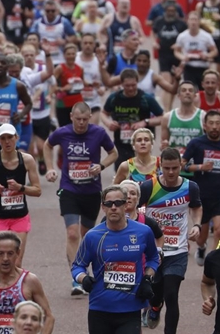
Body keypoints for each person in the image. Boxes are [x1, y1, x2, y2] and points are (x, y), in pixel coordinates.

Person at [43, 102, 117, 293]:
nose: (82, 123)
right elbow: (47, 145)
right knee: (72, 233)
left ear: (90, 117)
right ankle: (77, 277)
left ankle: (85, 268)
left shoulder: (98, 133)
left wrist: (101, 166)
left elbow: (113, 153)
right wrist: (50, 168)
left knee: (86, 235)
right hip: (69, 189)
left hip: (92, 191)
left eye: (85, 119)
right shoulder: (63, 133)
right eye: (78, 119)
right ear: (71, 116)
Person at [72, 185, 159, 334]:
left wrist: (147, 279)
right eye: (108, 204)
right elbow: (77, 266)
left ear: (126, 205)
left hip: (131, 309)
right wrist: (83, 279)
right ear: (103, 207)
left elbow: (153, 257)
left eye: (118, 203)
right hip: (100, 308)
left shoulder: (143, 232)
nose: (113, 207)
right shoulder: (93, 236)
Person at [139, 148, 202, 332]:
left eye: (175, 167)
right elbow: (136, 211)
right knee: (156, 293)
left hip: (178, 250)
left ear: (181, 165)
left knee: (172, 294)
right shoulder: (148, 187)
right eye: (167, 168)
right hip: (154, 251)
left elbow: (197, 208)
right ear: (161, 167)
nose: (172, 172)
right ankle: (155, 306)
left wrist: (196, 225)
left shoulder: (190, 187)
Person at [0, 124, 41, 266]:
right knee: (1, 261)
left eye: (10, 137)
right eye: (3, 138)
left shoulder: (27, 160)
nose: (7, 141)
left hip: (19, 215)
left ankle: (16, 289)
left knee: (16, 262)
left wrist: (20, 187)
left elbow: (37, 190)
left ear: (16, 138)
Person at [0, 231, 54, 334]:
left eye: (10, 253)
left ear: (18, 253)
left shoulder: (29, 281)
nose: (5, 258)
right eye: (1, 253)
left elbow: (49, 316)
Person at [182, 110, 220, 265]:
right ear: (205, 125)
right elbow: (183, 165)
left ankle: (213, 263)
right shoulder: (196, 144)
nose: (215, 127)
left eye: (218, 123)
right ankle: (201, 247)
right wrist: (201, 167)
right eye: (211, 123)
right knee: (201, 237)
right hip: (201, 195)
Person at [101, 69, 164, 168]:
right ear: (121, 84)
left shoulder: (146, 98)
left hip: (142, 142)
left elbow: (163, 118)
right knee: (122, 169)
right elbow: (103, 113)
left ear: (137, 82)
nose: (131, 88)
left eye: (133, 85)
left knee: (141, 169)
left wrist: (145, 122)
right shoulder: (114, 98)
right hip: (121, 142)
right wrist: (109, 123)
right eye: (127, 86)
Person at [160, 81, 205, 178]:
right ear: (178, 95)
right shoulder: (168, 117)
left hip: (196, 170)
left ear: (195, 95)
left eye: (190, 90)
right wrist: (164, 146)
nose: (187, 92)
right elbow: (164, 146)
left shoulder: (203, 116)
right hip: (175, 172)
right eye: (184, 90)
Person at [152, 0, 188, 110]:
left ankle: (169, 107)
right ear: (165, 11)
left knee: (173, 84)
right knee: (166, 82)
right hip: (163, 55)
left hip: (176, 56)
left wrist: (179, 46)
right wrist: (154, 42)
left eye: (173, 11)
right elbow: (153, 32)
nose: (171, 13)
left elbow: (186, 38)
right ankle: (166, 110)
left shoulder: (181, 24)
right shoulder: (159, 22)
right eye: (169, 10)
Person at [173, 12, 218, 86]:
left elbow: (215, 51)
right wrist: (183, 57)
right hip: (189, 67)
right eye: (191, 20)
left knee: (202, 92)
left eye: (195, 20)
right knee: (190, 90)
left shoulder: (206, 36)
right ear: (187, 21)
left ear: (199, 22)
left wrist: (206, 56)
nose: (193, 22)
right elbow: (176, 51)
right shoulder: (182, 36)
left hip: (203, 67)